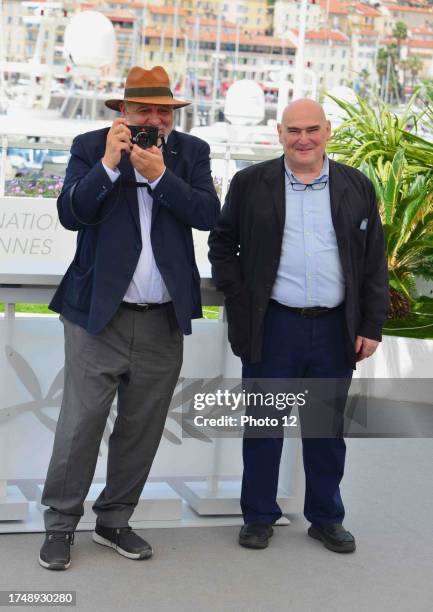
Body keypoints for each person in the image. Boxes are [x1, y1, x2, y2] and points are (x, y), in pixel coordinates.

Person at [39, 65, 220, 570]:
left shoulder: (191, 153)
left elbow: (209, 214)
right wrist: (111, 165)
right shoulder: (91, 145)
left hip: (162, 319)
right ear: (123, 110)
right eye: (145, 110)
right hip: (98, 315)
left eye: (164, 111)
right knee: (79, 426)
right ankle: (60, 525)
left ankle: (114, 519)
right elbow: (72, 213)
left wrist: (161, 177)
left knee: (142, 427)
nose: (155, 119)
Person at [208, 99, 389, 553]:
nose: (303, 139)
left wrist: (371, 324)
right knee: (264, 427)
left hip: (334, 330)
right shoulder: (252, 183)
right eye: (293, 131)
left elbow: (373, 264)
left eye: (312, 129)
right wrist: (240, 297)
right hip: (274, 327)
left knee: (326, 431)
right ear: (280, 133)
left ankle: (327, 518)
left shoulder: (356, 185)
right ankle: (258, 516)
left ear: (327, 130)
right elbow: (222, 243)